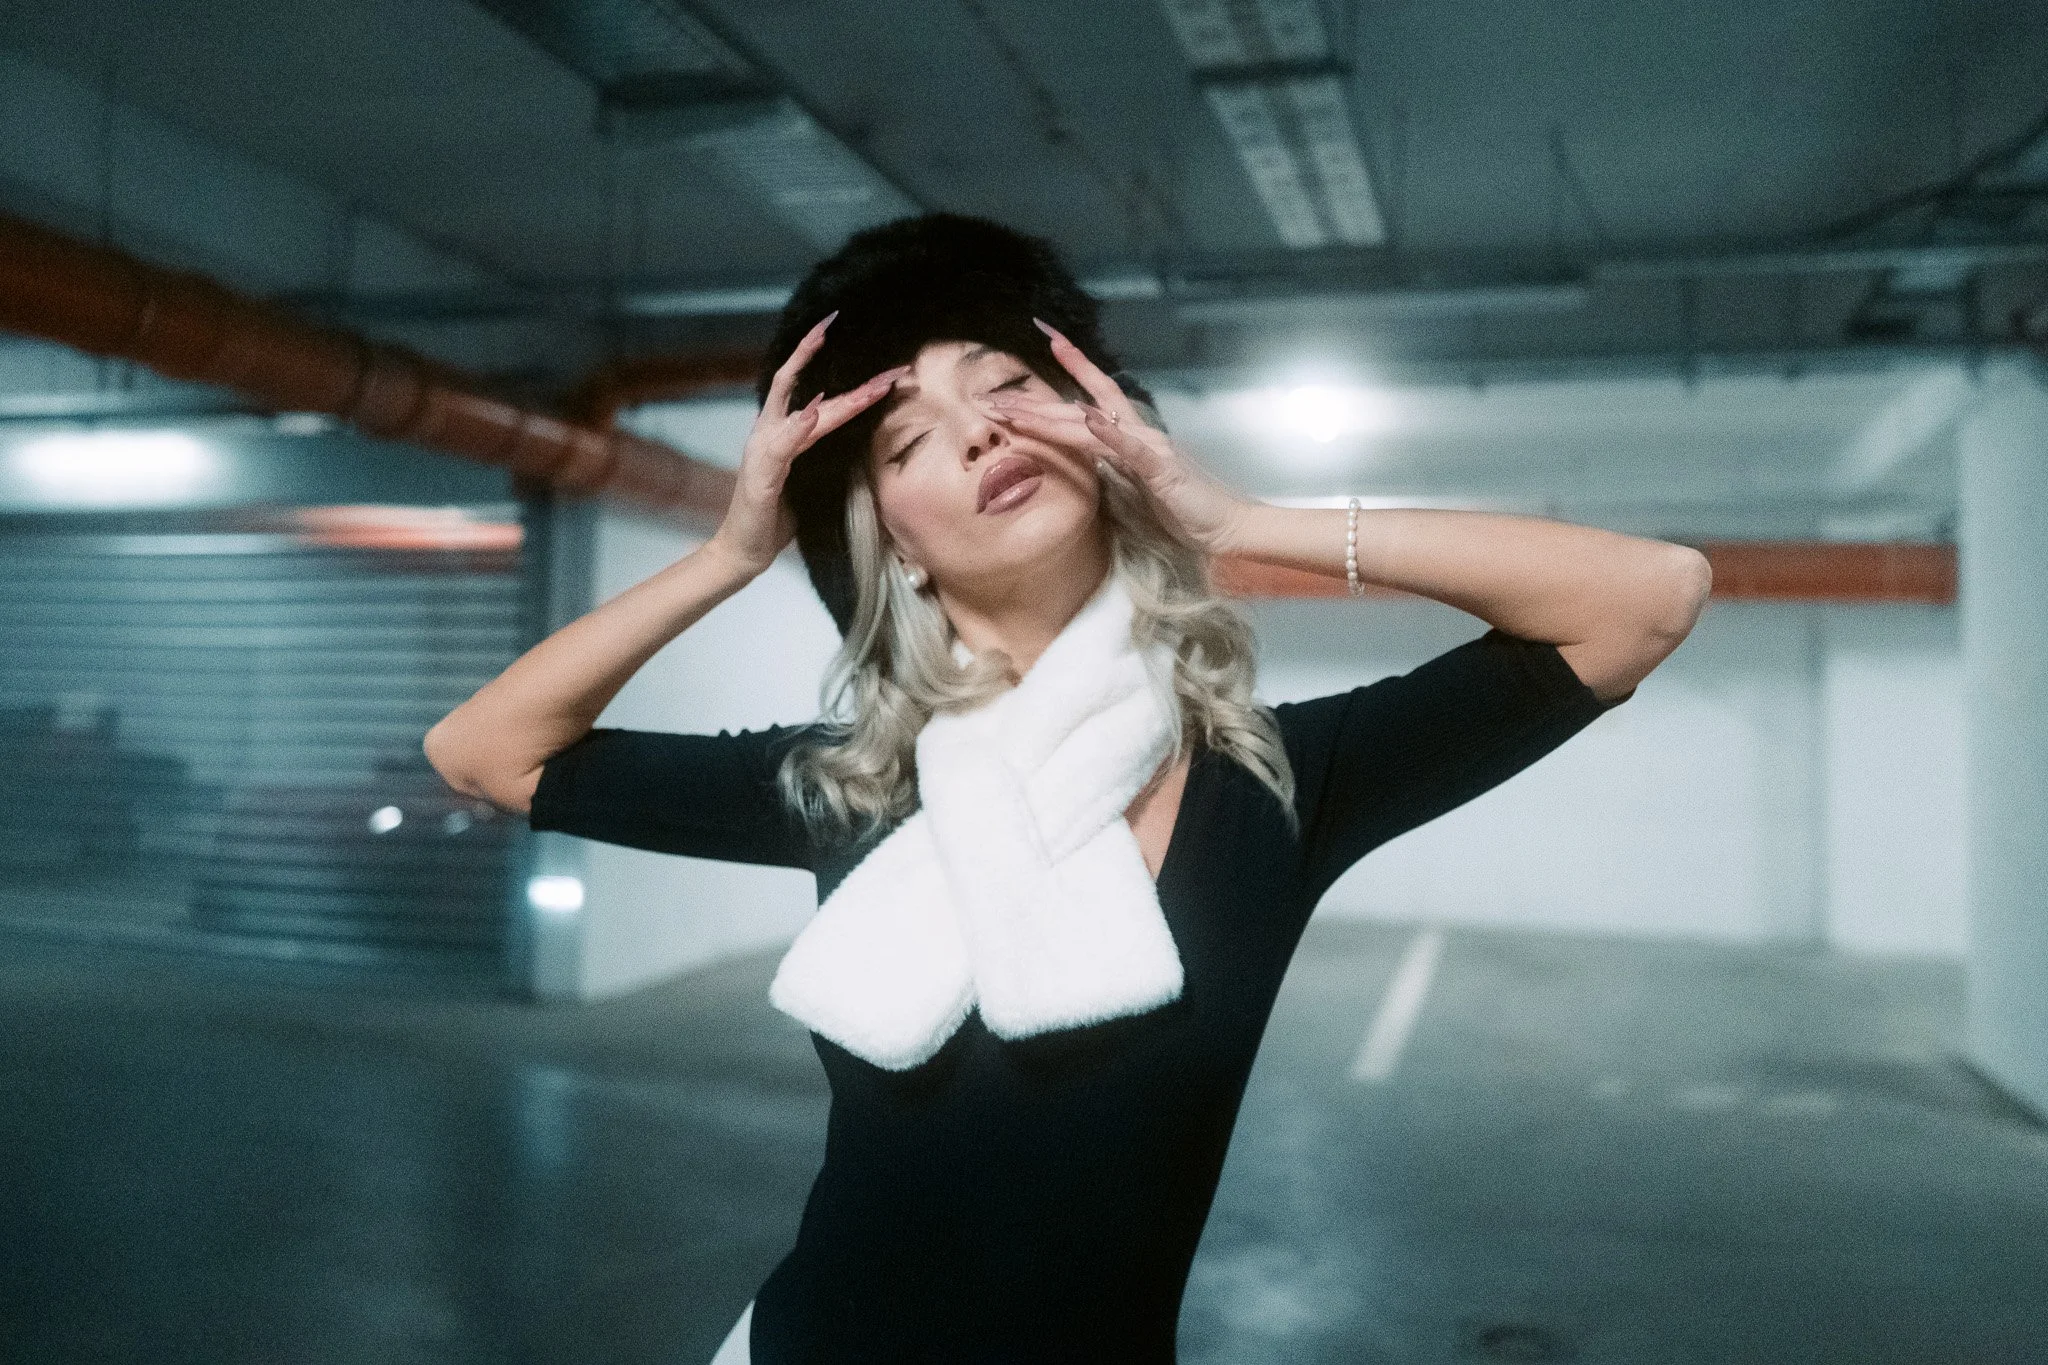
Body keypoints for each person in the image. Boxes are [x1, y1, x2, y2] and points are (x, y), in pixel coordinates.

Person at [424, 212, 1710, 1364]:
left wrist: (1243, 522)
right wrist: (728, 551)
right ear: (897, 550)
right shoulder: (845, 786)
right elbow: (485, 752)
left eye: (1008, 388)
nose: (978, 428)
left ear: (1104, 442)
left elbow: (1644, 598)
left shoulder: (1268, 781)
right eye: (905, 441)